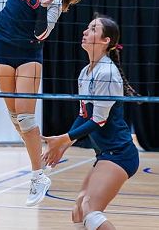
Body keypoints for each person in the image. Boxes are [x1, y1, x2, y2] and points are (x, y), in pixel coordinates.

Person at [0, 0, 86, 206]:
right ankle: (40, 143)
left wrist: (43, 8)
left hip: (28, 53)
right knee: (15, 117)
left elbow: (41, 34)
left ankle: (38, 176)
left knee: (26, 117)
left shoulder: (55, 1)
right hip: (0, 42)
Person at [42, 14, 139, 230]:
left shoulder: (107, 73)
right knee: (78, 210)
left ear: (106, 41)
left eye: (93, 29)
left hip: (119, 153)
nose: (85, 32)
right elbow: (84, 115)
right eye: (87, 28)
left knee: (90, 211)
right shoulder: (85, 73)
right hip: (105, 153)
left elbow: (99, 120)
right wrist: (64, 143)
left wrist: (64, 138)